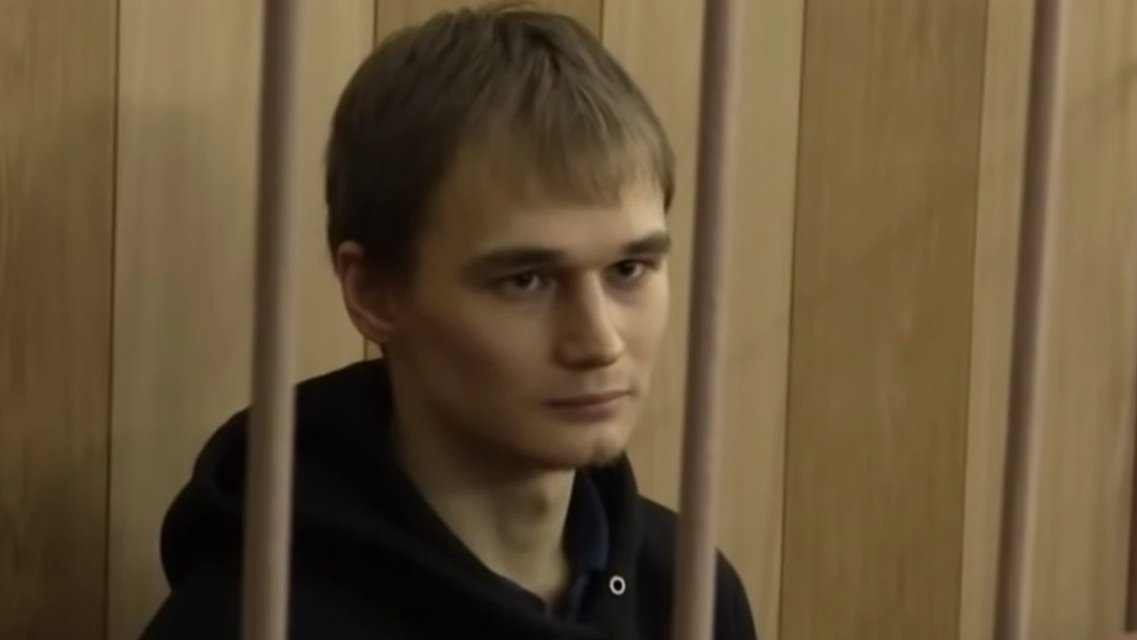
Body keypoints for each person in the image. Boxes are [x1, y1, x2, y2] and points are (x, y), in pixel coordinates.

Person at [141, 5, 757, 639]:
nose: (599, 342)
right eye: (527, 280)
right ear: (374, 293)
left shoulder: (688, 593)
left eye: (628, 269)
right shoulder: (245, 620)